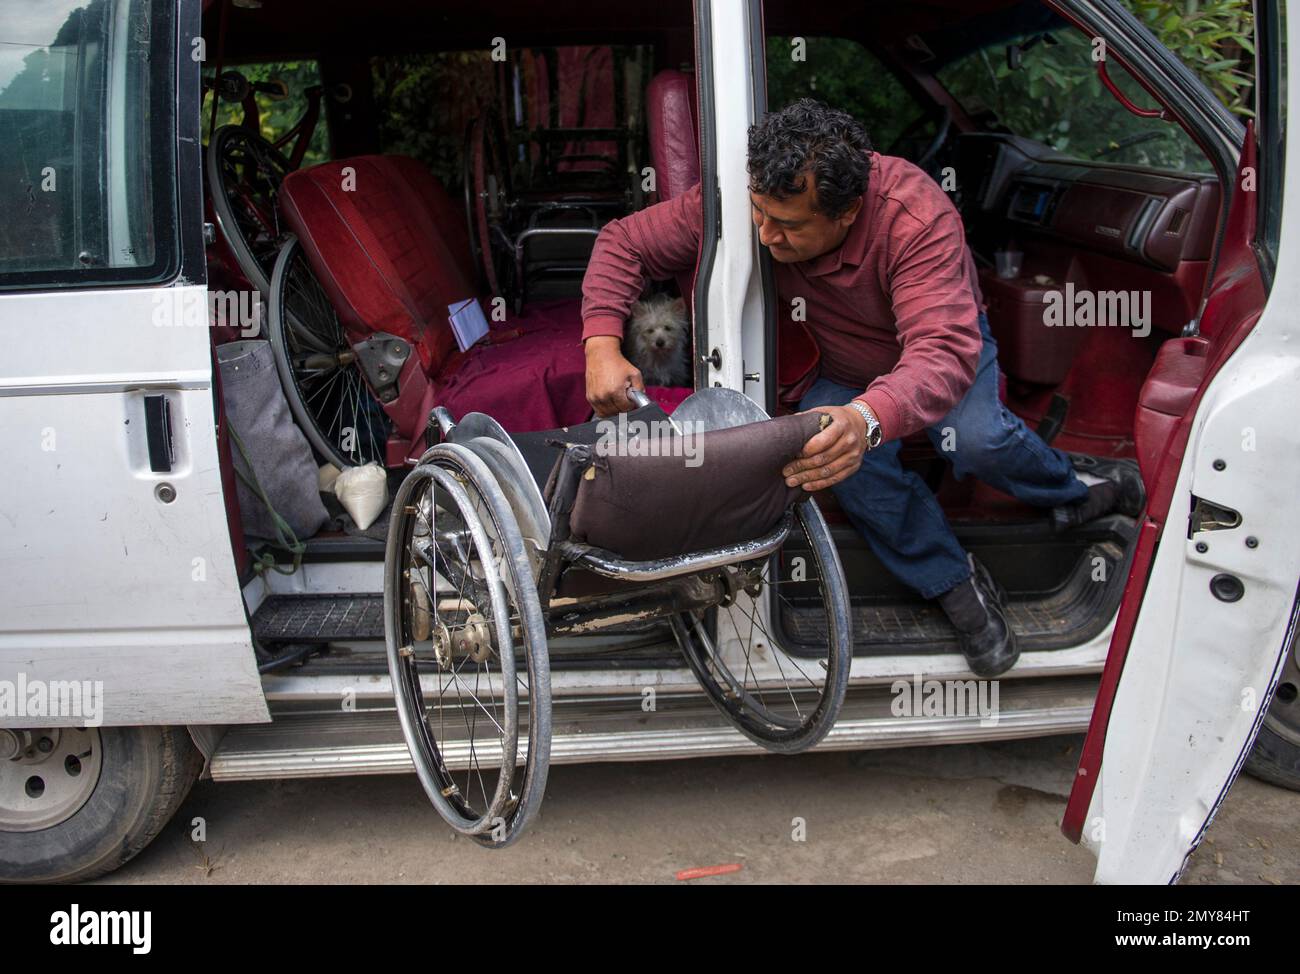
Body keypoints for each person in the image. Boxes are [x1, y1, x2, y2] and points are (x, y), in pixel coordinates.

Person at [580, 98, 1143, 677]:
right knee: (839, 462)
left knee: (977, 439)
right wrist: (601, 343)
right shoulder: (743, 200)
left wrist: (868, 417)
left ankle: (1074, 490)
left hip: (937, 350)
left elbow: (941, 352)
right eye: (759, 213)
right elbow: (625, 242)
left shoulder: (914, 215)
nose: (765, 235)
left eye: (789, 225)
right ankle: (953, 581)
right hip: (842, 370)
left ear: (848, 211)